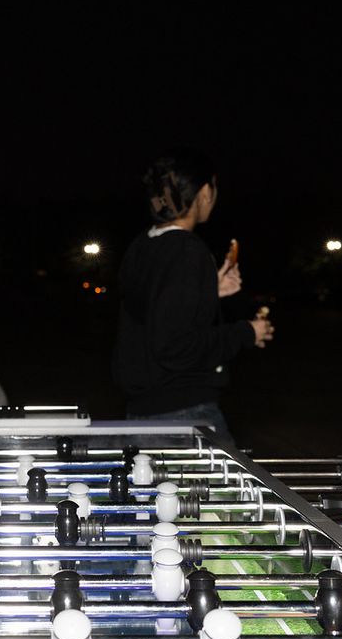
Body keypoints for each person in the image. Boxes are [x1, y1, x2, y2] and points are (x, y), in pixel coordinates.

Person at [112, 149, 274, 437]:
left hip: (140, 414)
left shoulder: (142, 246)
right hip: (183, 416)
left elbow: (153, 309)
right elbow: (175, 347)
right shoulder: (188, 250)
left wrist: (208, 291)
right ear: (203, 193)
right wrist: (247, 332)